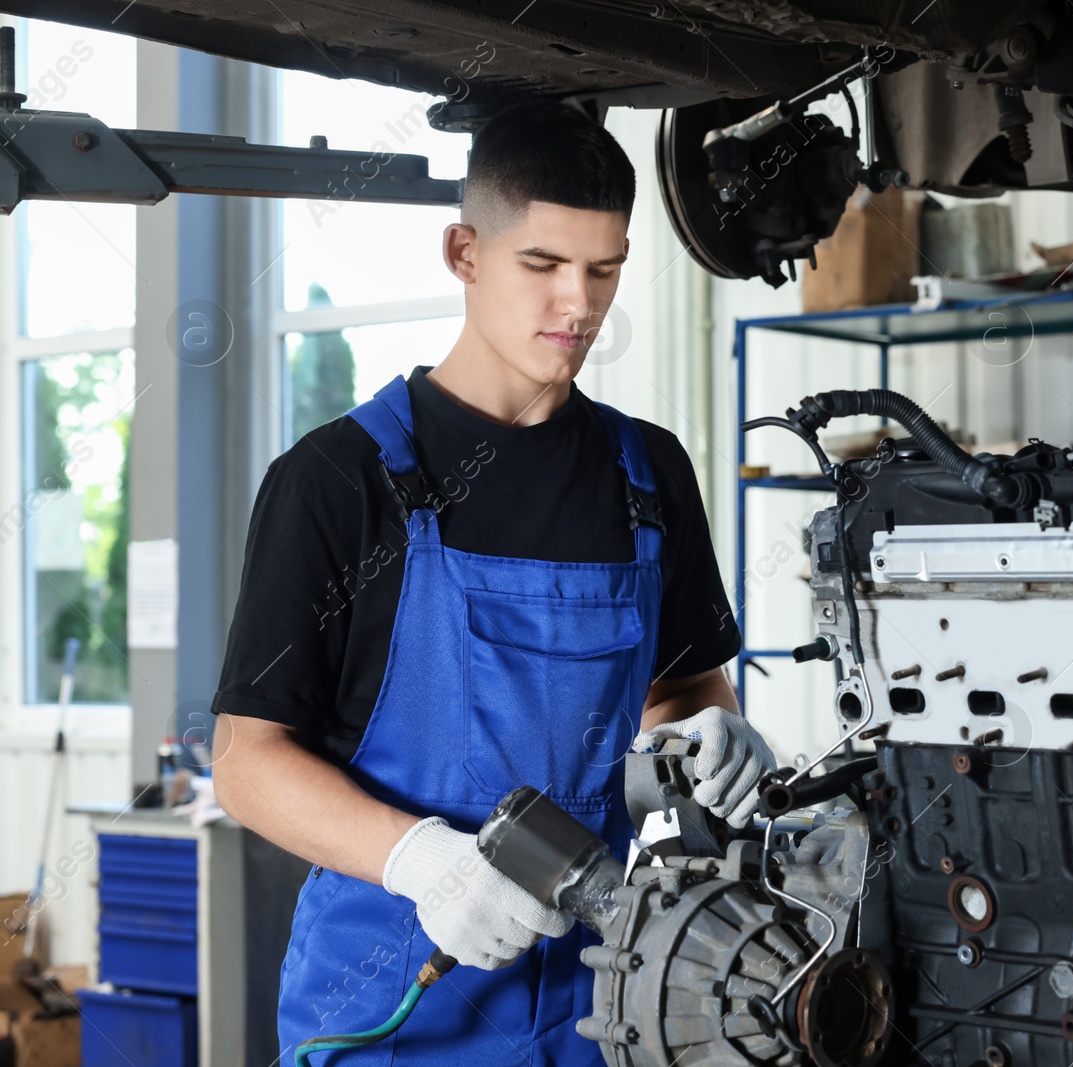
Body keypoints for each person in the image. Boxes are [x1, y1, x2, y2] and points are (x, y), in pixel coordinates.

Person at [209, 100, 775, 1065]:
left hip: (601, 1007)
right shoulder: (338, 481)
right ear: (464, 253)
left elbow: (680, 688)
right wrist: (422, 860)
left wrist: (709, 737)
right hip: (387, 1011)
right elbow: (246, 761)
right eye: (543, 266)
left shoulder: (648, 475)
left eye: (604, 270)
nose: (578, 308)